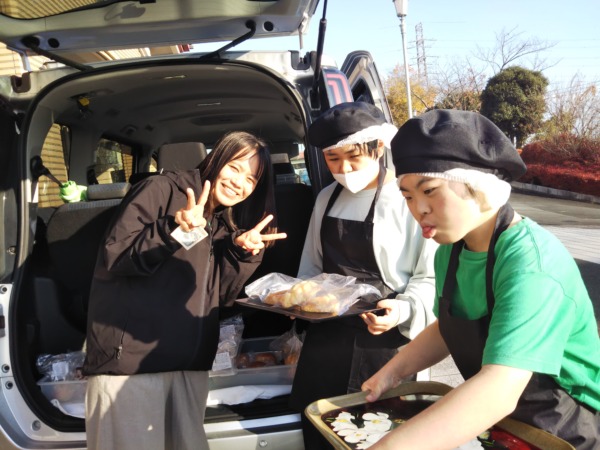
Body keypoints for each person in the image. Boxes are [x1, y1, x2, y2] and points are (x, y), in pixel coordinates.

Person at [361, 109, 600, 449]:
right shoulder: (450, 250)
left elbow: (499, 389)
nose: (419, 209)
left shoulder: (531, 264)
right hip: (505, 423)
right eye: (408, 196)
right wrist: (392, 373)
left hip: (566, 425)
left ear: (480, 187)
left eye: (430, 190)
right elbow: (449, 328)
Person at [83, 131, 287, 450]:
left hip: (188, 367)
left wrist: (240, 254)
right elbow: (117, 257)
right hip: (132, 366)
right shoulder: (160, 189)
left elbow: (219, 298)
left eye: (251, 179)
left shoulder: (221, 223)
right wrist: (173, 230)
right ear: (216, 159)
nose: (239, 183)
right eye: (234, 168)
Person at [289, 102, 438, 449]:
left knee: (380, 434)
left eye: (353, 157)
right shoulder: (326, 198)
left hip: (385, 342)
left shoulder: (405, 199)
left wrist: (402, 310)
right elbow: (311, 267)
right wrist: (300, 299)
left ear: (378, 148)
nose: (344, 169)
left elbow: (431, 276)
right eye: (333, 159)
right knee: (322, 431)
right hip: (327, 341)